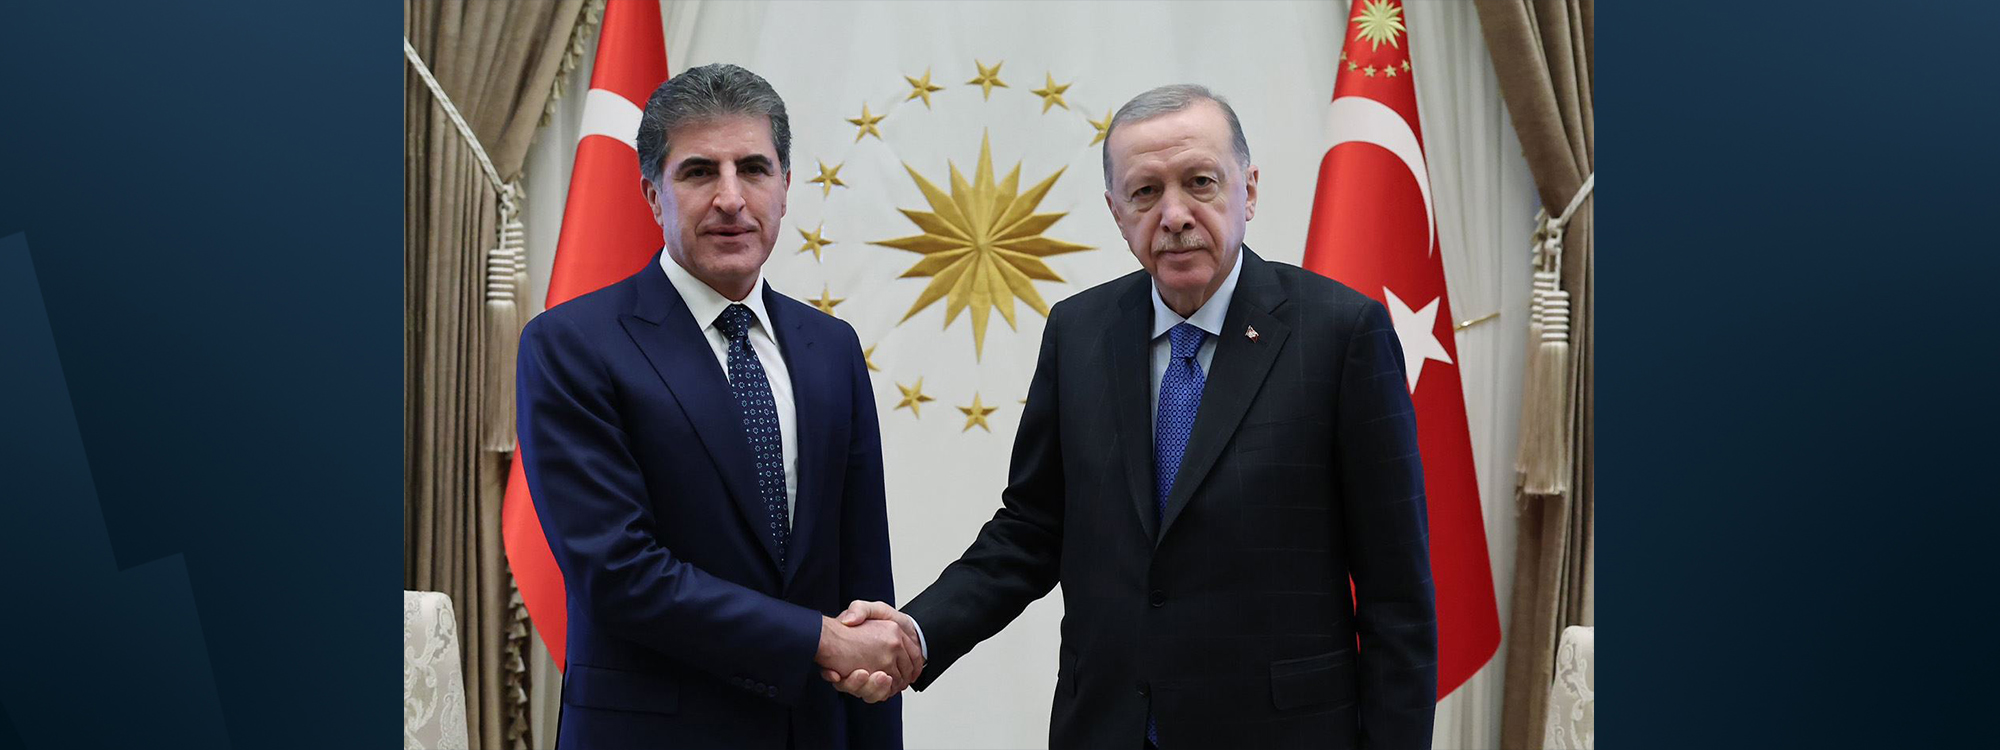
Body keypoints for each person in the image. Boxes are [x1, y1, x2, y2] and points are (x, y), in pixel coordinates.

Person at [830, 84, 1438, 749]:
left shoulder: (1341, 334)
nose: (1174, 215)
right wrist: (916, 633)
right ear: (1116, 213)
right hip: (1106, 728)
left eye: (1200, 182)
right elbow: (1031, 530)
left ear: (1248, 191)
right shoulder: (1079, 332)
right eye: (1145, 192)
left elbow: (1397, 597)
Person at [517, 63, 918, 750]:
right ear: (653, 194)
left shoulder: (831, 347)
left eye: (754, 169)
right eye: (700, 172)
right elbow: (618, 573)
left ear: (785, 188)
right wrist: (818, 640)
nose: (731, 199)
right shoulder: (571, 345)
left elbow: (861, 576)